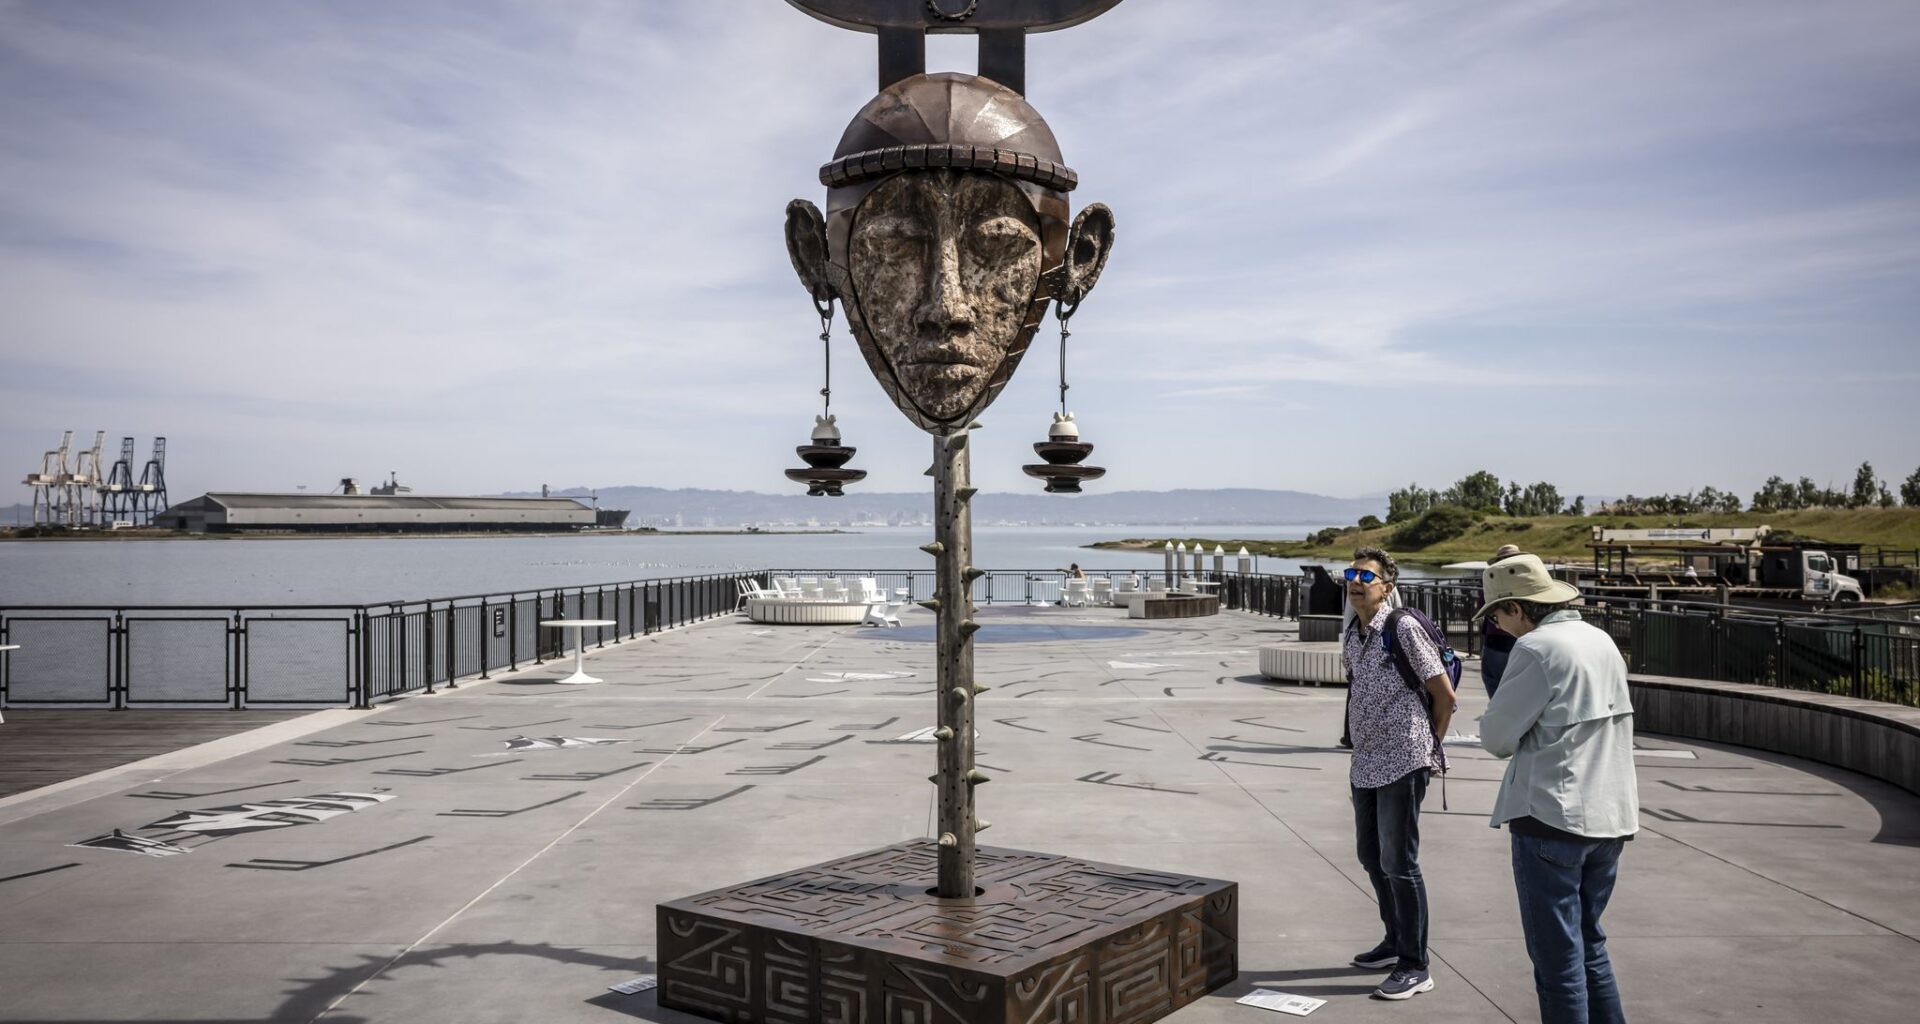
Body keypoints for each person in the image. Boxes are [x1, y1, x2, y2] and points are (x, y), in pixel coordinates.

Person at [1476, 554, 1639, 1024]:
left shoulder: (1536, 649)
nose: (1500, 626)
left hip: (1552, 815)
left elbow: (1497, 738)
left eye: (1499, 614)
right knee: (1590, 944)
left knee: (1557, 962)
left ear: (1519, 609)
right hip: (1610, 813)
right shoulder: (1600, 639)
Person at [1341, 547, 1454, 1000]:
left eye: (1364, 576)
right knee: (1371, 856)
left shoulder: (1401, 626)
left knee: (1400, 863)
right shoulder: (1353, 631)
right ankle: (1394, 940)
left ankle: (1415, 963)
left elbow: (1443, 696)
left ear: (1386, 586)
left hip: (1404, 760)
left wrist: (1430, 748)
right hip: (1365, 761)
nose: (1354, 581)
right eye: (1350, 574)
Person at [1479, 544, 1524, 697]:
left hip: (1495, 640)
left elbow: (1482, 606)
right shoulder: (1524, 580)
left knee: (1495, 686)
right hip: (1520, 639)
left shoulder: (1492, 580)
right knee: (1516, 688)